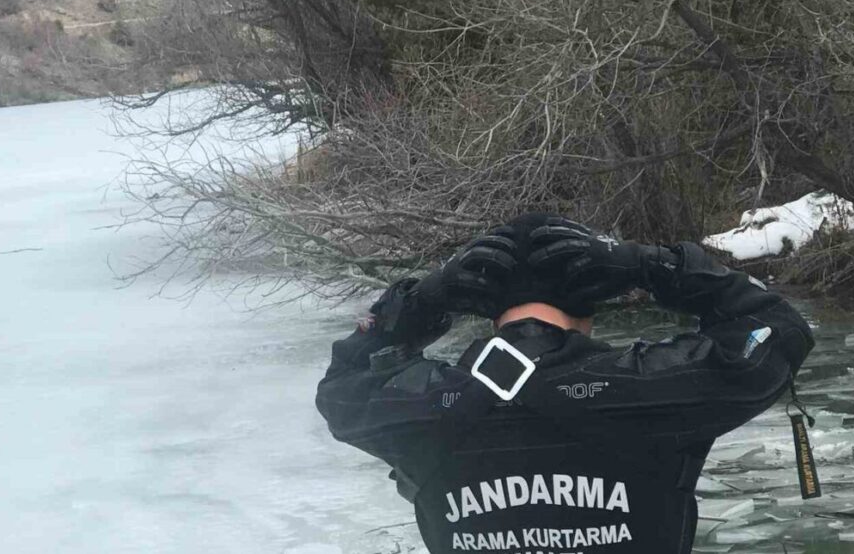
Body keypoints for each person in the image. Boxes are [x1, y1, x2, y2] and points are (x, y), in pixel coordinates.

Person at [315, 213, 815, 554]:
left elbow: (343, 381)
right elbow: (779, 328)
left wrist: (424, 300)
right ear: (592, 307)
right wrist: (650, 264)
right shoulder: (655, 387)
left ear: (491, 317)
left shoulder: (417, 407)